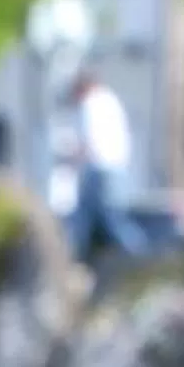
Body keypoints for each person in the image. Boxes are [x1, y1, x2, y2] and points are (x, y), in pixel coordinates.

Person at [65, 68, 143, 257]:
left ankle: (139, 254)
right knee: (92, 218)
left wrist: (72, 159)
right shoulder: (110, 100)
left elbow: (89, 141)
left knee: (108, 219)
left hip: (99, 168)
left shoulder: (90, 103)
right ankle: (76, 257)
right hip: (116, 166)